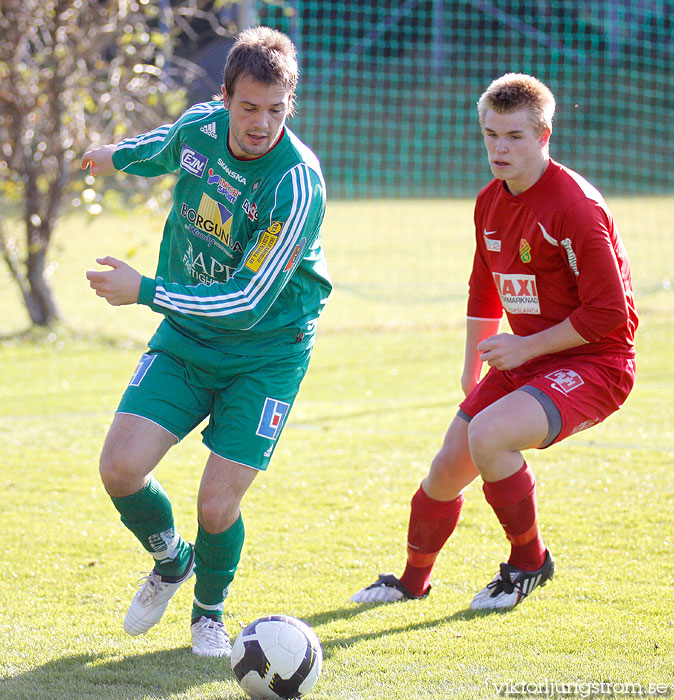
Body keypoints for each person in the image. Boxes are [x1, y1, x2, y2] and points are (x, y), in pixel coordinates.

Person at [81, 26, 331, 656]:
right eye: (248, 108)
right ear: (225, 99)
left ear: (289, 106)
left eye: (276, 111)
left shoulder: (296, 184)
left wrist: (143, 289)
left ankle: (209, 613)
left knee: (217, 505)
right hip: (188, 336)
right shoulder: (199, 129)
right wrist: (111, 154)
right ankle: (172, 561)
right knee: (119, 468)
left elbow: (247, 305)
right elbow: (164, 147)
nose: (261, 124)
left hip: (266, 354)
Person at [351, 73, 638, 610]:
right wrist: (471, 366)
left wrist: (524, 349)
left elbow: (609, 315)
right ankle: (411, 582)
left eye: (514, 137)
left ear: (544, 137)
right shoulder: (489, 201)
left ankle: (530, 562)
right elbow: (483, 285)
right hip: (525, 357)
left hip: (597, 362)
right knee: (445, 470)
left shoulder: (576, 207)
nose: (499, 148)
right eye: (490, 135)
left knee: (489, 435)